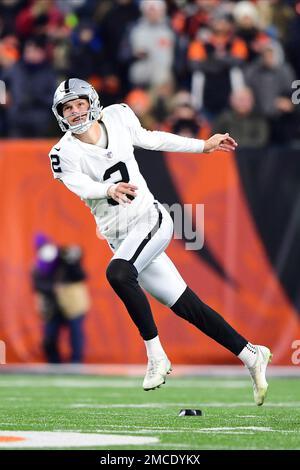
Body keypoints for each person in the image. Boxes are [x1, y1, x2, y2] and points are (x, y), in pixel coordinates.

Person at [49, 78, 272, 405]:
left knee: (118, 274)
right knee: (187, 306)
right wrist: (107, 189)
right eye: (68, 108)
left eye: (80, 103)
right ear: (61, 115)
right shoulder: (63, 152)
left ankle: (156, 355)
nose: (76, 111)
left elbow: (150, 139)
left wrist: (202, 145)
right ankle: (251, 354)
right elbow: (79, 184)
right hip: (119, 237)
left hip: (149, 219)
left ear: (92, 102)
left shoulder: (118, 116)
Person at [32, 233, 89, 363]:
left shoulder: (63, 257)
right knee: (49, 336)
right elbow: (37, 285)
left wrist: (72, 260)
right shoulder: (37, 267)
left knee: (76, 334)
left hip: (72, 303)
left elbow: (80, 275)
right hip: (52, 306)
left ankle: (76, 363)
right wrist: (53, 288)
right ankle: (54, 363)